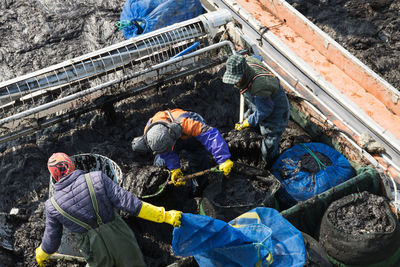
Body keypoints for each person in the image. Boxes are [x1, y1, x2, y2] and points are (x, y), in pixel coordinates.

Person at [35, 152, 182, 267]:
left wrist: (42, 253)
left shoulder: (52, 205)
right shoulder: (97, 178)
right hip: (120, 236)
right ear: (71, 165)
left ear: (54, 177)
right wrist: (165, 216)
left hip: (93, 249)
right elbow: (130, 204)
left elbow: (52, 239)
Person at [131, 108, 233, 190]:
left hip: (189, 135)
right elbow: (166, 153)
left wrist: (223, 159)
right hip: (168, 141)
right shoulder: (150, 135)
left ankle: (200, 186)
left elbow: (211, 135)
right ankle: (169, 188)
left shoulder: (186, 123)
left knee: (197, 156)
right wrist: (174, 169)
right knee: (161, 163)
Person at [222, 54, 290, 167]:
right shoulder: (250, 61)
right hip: (261, 103)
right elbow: (257, 56)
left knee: (269, 145)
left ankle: (271, 164)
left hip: (276, 114)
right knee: (246, 117)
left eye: (236, 80)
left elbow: (264, 111)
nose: (235, 83)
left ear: (244, 74)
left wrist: (249, 121)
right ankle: (256, 131)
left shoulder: (259, 86)